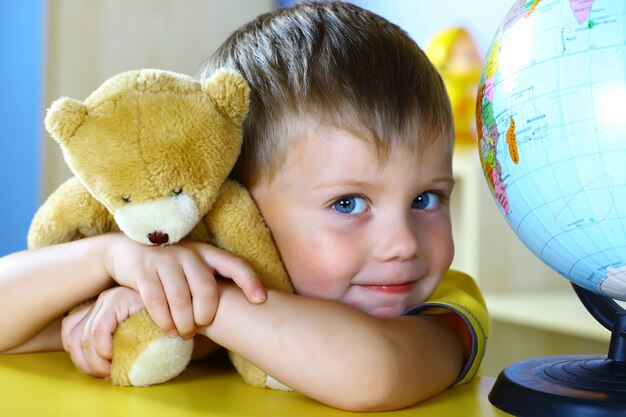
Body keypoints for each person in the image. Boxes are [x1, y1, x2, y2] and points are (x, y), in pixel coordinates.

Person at [0, 1, 489, 412]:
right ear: (237, 209)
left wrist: (196, 304)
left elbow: (376, 374)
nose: (403, 244)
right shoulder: (190, 267)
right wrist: (111, 258)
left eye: (426, 199)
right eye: (348, 203)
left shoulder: (445, 310)